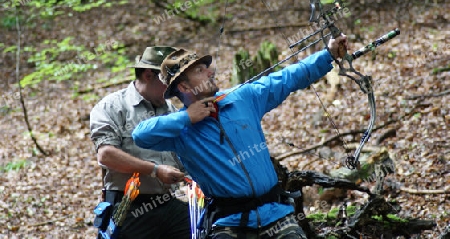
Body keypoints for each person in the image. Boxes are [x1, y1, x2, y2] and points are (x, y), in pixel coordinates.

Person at [132, 35, 348, 239]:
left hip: (276, 214)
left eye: (206, 67)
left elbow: (287, 78)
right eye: (200, 70)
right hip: (228, 223)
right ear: (184, 86)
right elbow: (140, 135)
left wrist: (328, 54)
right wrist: (187, 117)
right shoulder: (180, 130)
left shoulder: (242, 98)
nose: (210, 72)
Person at [90, 46, 191, 239]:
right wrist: (155, 170)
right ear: (148, 75)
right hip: (130, 207)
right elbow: (106, 155)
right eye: (168, 82)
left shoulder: (170, 110)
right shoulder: (112, 106)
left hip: (172, 204)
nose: (173, 89)